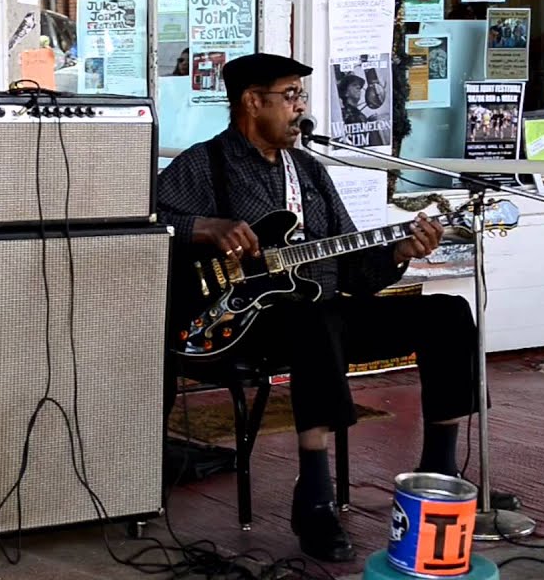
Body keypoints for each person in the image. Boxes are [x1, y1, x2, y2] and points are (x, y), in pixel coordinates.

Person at [159, 53, 512, 562]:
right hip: (238, 325)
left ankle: (439, 471)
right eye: (289, 96)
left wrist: (398, 252)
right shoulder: (204, 164)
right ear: (252, 102)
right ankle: (314, 495)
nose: (300, 108)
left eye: (301, 96)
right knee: (314, 319)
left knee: (447, 314)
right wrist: (204, 227)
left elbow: (353, 273)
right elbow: (143, 221)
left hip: (320, 315)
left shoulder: (308, 170)